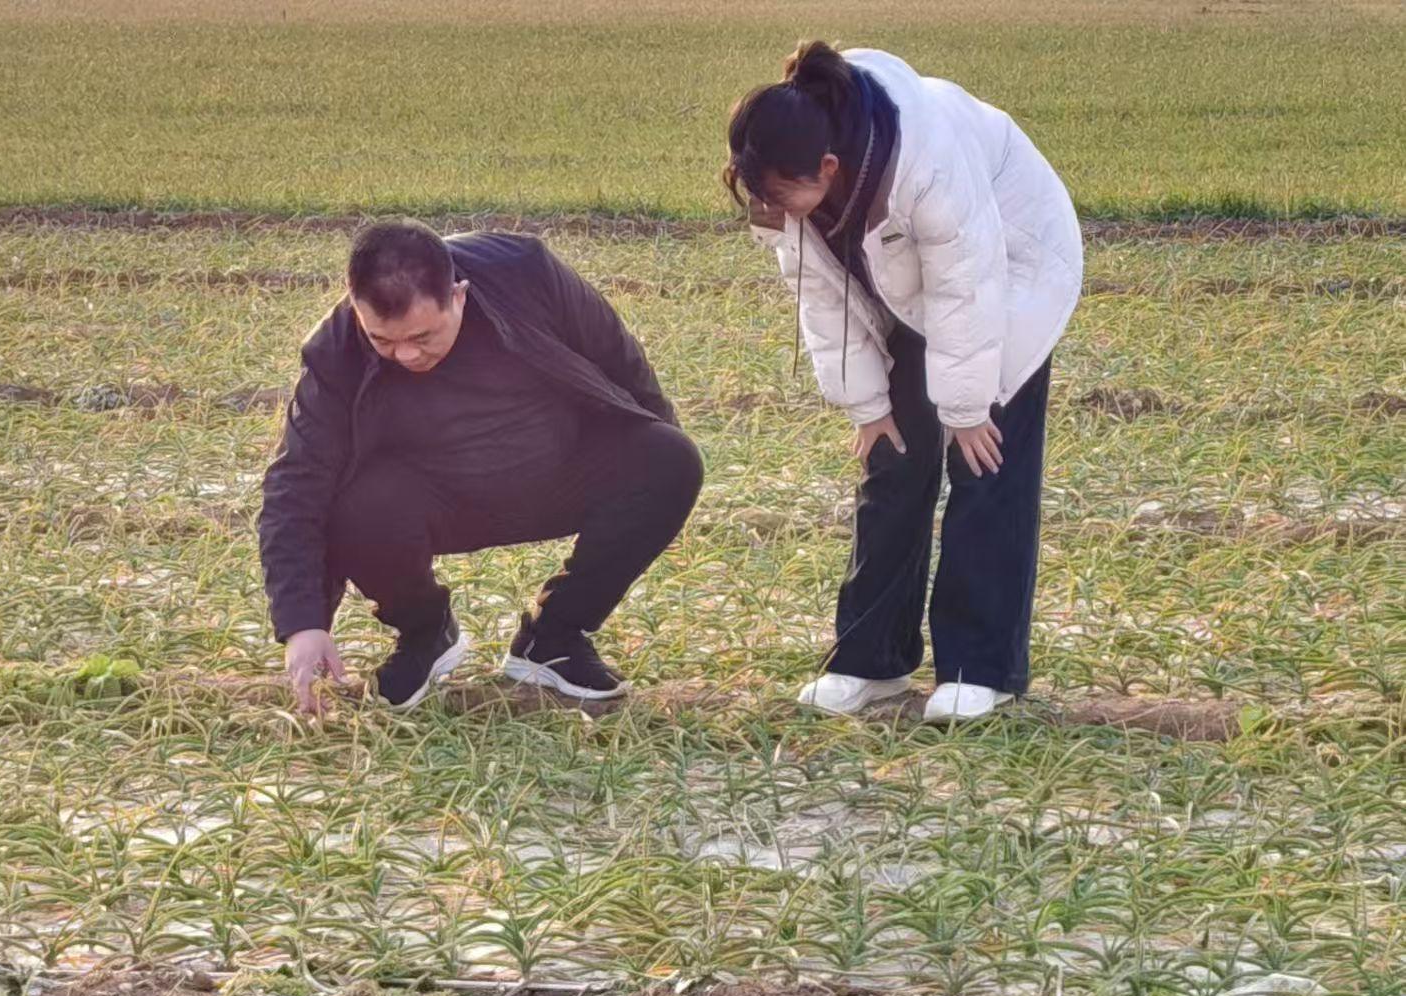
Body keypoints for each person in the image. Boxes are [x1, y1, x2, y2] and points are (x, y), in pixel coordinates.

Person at [725, 42, 1082, 722]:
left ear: (827, 168)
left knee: (982, 458)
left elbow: (964, 288)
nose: (775, 212)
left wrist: (968, 407)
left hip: (1008, 269)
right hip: (907, 285)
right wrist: (866, 405)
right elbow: (821, 300)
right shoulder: (788, 187)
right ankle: (870, 660)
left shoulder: (928, 164)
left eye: (781, 196)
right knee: (891, 460)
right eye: (760, 196)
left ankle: (982, 667)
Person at [256, 221, 703, 714]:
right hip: (432, 498)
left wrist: (660, 486)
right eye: (383, 340)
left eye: (423, 336)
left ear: (458, 296)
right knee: (352, 504)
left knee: (670, 459)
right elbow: (295, 482)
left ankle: (554, 637)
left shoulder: (525, 272)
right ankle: (425, 633)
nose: (405, 355)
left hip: (555, 468)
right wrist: (303, 623)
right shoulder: (334, 348)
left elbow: (620, 359)